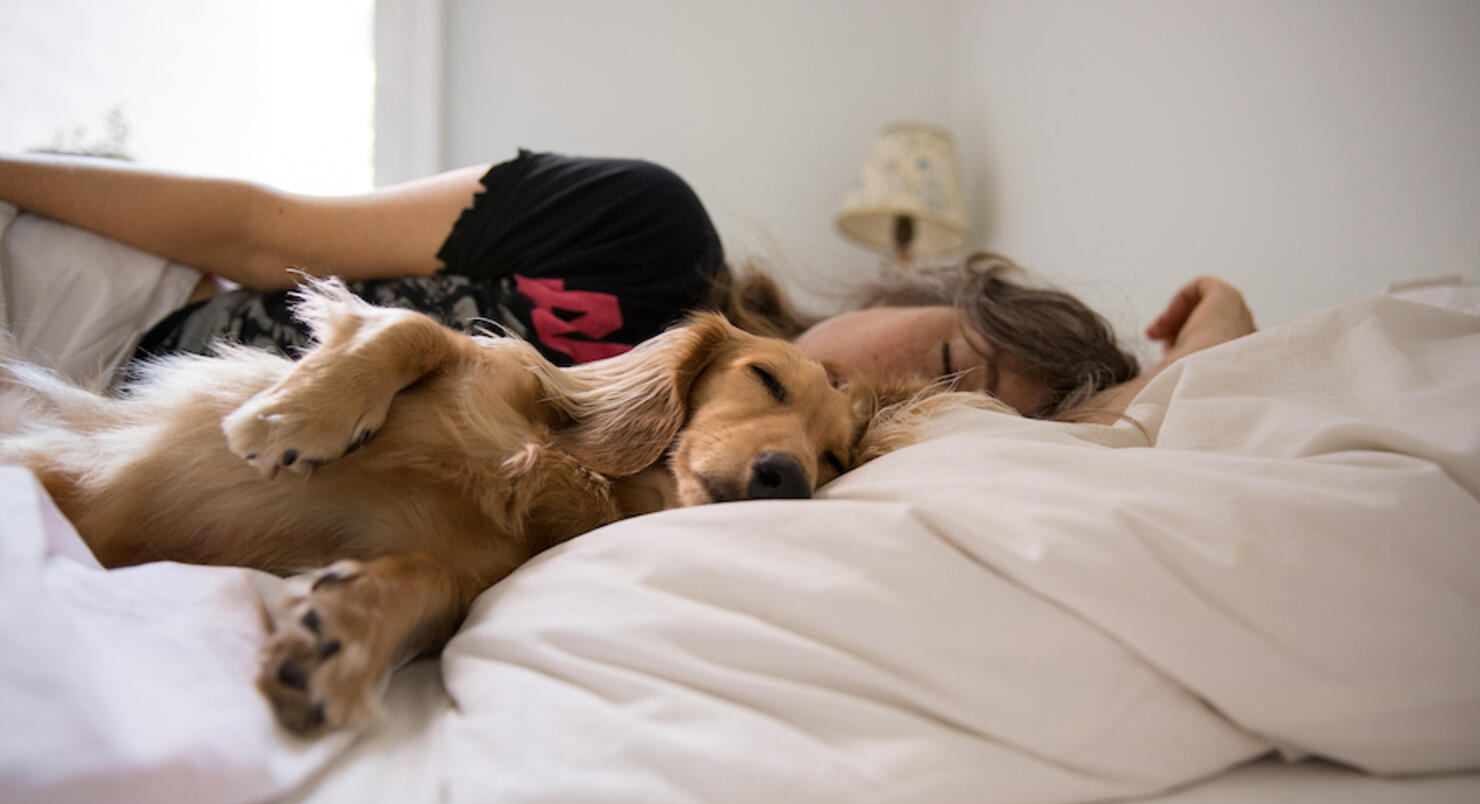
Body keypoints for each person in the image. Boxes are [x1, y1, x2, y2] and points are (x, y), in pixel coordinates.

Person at [0, 150, 1254, 422]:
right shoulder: (642, 227)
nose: (895, 392)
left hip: (110, 432)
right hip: (120, 306)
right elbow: (267, 225)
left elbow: (1125, 448)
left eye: (959, 409)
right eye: (939, 359)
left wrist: (1215, 348)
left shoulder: (748, 464)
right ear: (910, 287)